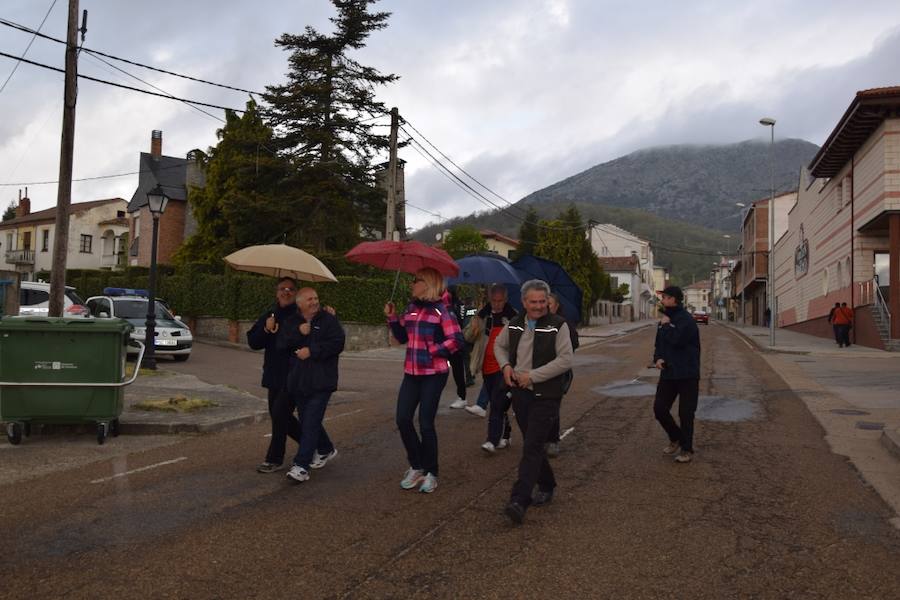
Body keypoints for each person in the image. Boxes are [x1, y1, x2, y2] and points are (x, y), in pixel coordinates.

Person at [494, 279, 574, 525]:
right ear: (524, 302)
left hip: (546, 395)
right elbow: (499, 345)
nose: (539, 306)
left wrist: (533, 376)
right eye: (534, 302)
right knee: (534, 444)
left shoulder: (558, 325)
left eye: (542, 301)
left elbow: (565, 360)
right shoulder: (515, 324)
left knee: (531, 447)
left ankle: (519, 500)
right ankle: (547, 484)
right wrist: (506, 366)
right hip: (521, 393)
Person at [385, 267, 463, 494]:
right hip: (412, 373)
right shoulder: (411, 308)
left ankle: (432, 472)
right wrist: (391, 317)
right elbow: (401, 337)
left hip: (434, 374)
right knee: (402, 419)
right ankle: (417, 465)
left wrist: (435, 349)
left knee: (426, 423)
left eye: (415, 280)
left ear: (427, 283)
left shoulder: (442, 311)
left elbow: (456, 340)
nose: (412, 284)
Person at [280, 287, 346, 483]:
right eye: (309, 299)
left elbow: (338, 343)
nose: (314, 302)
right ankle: (325, 448)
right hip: (299, 381)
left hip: (322, 381)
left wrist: (313, 350)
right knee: (309, 420)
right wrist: (297, 332)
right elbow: (282, 343)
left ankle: (301, 465)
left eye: (316, 298)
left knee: (310, 422)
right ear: (300, 303)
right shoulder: (293, 321)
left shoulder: (328, 320)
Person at [247, 277, 304, 473]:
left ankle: (274, 459)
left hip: (294, 374)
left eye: (290, 289)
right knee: (280, 416)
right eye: (282, 288)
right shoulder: (269, 314)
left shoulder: (301, 315)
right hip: (273, 373)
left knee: (280, 414)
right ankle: (315, 443)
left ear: (295, 293)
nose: (286, 292)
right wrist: (266, 329)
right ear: (276, 292)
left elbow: (306, 339)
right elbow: (253, 342)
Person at [652, 286, 701, 464]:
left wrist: (666, 326)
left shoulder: (686, 320)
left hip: (687, 373)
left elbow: (677, 340)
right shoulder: (665, 319)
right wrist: (657, 358)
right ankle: (676, 438)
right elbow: (659, 343)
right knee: (659, 409)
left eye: (665, 297)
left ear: (674, 300)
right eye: (662, 297)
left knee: (686, 413)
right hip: (669, 373)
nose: (662, 300)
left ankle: (686, 449)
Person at [545, 292, 579, 458]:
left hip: (558, 373)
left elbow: (573, 345)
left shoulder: (564, 324)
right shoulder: (534, 322)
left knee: (552, 407)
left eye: (549, 303)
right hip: (537, 372)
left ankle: (552, 441)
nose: (545, 306)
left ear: (557, 306)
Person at [444, 286, 470, 408]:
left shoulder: (458, 305)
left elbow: (460, 320)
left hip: (456, 341)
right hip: (444, 341)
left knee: (458, 370)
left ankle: (462, 396)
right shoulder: (441, 305)